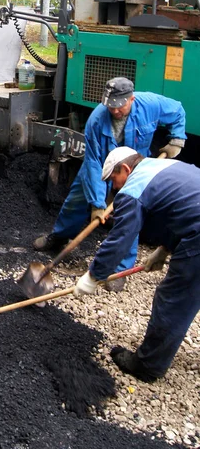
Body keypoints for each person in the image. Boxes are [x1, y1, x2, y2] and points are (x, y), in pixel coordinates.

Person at [33, 77, 186, 292]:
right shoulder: (97, 119)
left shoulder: (151, 104)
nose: (114, 111)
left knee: (129, 213)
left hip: (133, 169)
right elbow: (93, 162)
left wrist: (177, 139)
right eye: (110, 106)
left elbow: (178, 110)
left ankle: (119, 269)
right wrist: (97, 204)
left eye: (119, 106)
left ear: (131, 99)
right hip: (102, 165)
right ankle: (59, 237)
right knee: (77, 199)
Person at [73, 146, 200, 383]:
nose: (115, 187)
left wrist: (93, 276)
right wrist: (165, 249)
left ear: (126, 169)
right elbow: (182, 207)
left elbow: (120, 239)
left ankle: (148, 366)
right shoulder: (161, 166)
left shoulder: (133, 189)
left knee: (173, 298)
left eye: (114, 179)